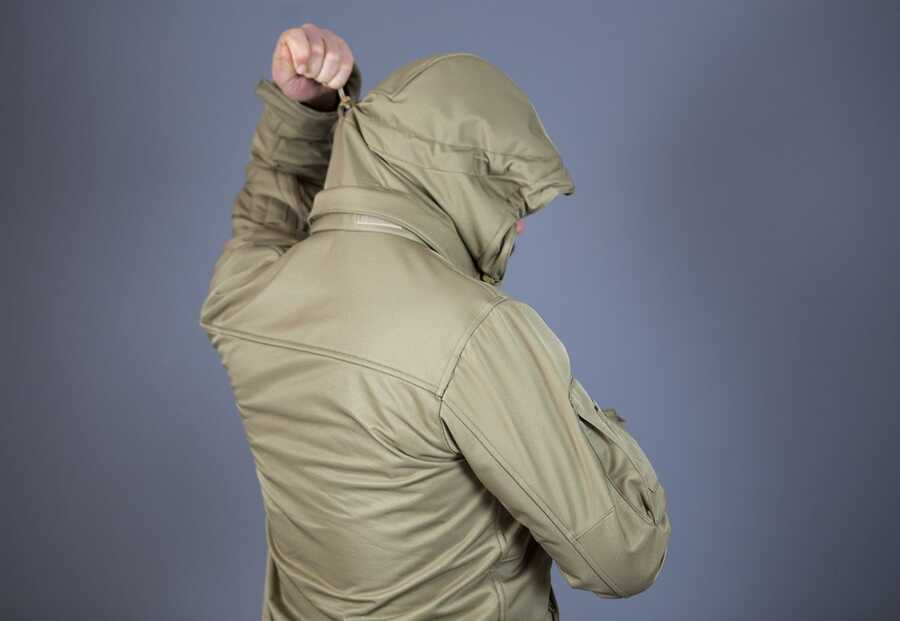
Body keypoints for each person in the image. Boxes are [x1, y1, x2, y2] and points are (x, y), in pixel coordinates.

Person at [199, 21, 670, 621]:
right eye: (503, 194)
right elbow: (625, 557)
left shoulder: (247, 294)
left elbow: (265, 220)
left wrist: (302, 113)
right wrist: (566, 408)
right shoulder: (477, 334)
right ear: (452, 183)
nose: (519, 225)